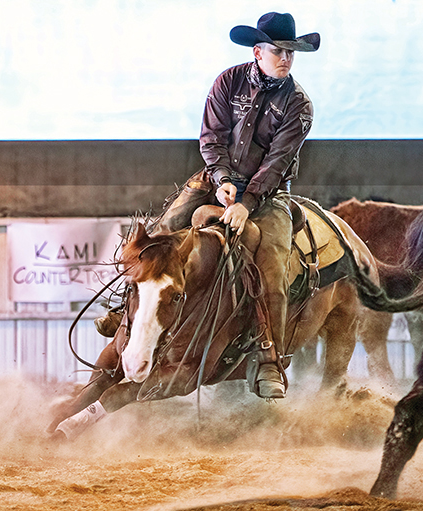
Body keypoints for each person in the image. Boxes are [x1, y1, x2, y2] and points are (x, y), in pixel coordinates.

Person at [95, 12, 319, 400]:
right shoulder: (228, 81)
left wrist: (246, 201)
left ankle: (270, 359)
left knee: (272, 267)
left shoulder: (298, 104)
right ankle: (125, 311)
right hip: (213, 180)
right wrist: (223, 181)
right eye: (278, 51)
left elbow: (278, 161)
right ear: (258, 51)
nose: (285, 58)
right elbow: (211, 137)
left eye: (290, 52)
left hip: (269, 196)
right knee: (159, 236)